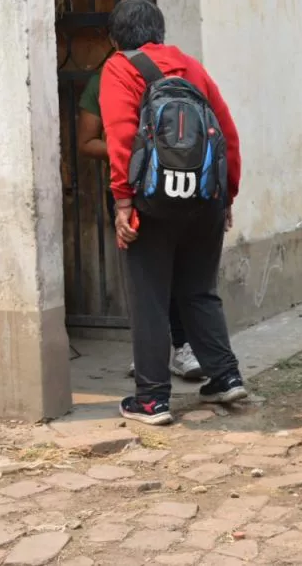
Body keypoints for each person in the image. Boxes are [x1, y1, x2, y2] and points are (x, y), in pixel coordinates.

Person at [99, 0, 247, 425]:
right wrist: (226, 195)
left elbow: (121, 137)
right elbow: (227, 133)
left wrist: (123, 202)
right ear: (160, 33)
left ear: (114, 39)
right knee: (199, 290)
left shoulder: (118, 68)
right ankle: (225, 377)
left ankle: (151, 399)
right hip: (204, 199)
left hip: (152, 203)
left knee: (149, 298)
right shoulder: (190, 67)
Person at [77, 58, 205, 382]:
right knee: (142, 277)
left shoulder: (180, 71)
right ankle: (150, 354)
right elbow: (86, 141)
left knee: (176, 271)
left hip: (175, 184)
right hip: (131, 189)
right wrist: (137, 151)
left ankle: (182, 346)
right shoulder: (102, 80)